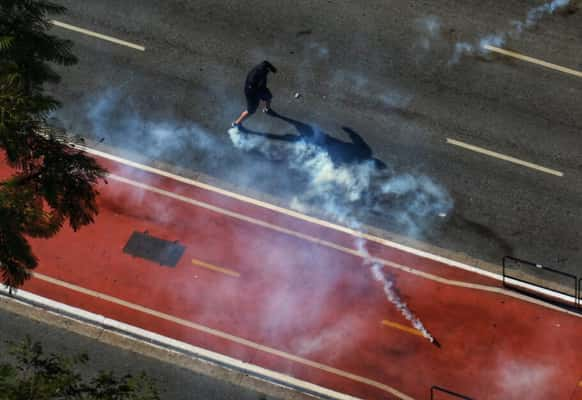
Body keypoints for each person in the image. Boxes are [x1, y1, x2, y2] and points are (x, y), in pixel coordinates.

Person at [232, 60, 277, 127]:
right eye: (268, 71)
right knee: (251, 110)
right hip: (251, 92)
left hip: (260, 88)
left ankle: (267, 109)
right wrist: (259, 94)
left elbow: (265, 62)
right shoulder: (256, 76)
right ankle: (236, 123)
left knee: (269, 97)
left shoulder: (262, 67)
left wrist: (273, 69)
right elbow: (255, 87)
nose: (268, 72)